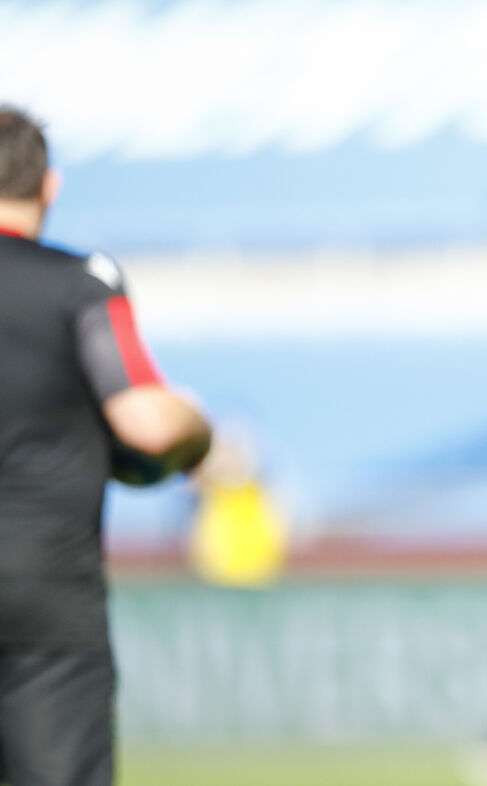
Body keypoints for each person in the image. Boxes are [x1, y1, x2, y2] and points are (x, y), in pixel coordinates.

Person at [0, 107, 211, 786]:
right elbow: (147, 424)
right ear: (49, 187)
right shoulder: (81, 285)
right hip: (48, 604)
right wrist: (200, 429)